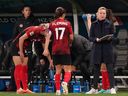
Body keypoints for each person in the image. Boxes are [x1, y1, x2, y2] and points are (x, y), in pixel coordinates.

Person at [11, 24, 51, 94]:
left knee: (25, 68)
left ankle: (25, 88)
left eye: (46, 31)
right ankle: (18, 88)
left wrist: (50, 60)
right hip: (16, 45)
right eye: (44, 31)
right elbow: (21, 39)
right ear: (41, 30)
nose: (45, 32)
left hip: (25, 47)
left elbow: (46, 50)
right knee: (19, 67)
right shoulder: (35, 30)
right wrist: (21, 52)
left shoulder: (45, 35)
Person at [86, 7, 116, 94]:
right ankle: (94, 88)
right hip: (97, 49)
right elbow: (90, 37)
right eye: (101, 13)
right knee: (96, 70)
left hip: (108, 49)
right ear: (97, 14)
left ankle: (112, 88)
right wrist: (96, 39)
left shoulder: (110, 23)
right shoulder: (94, 24)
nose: (102, 15)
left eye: (104, 13)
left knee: (110, 70)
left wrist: (109, 38)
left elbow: (113, 35)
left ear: (106, 14)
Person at [49, 7, 74, 95]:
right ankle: (65, 82)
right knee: (68, 70)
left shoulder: (52, 24)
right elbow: (71, 37)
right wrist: (70, 43)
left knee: (57, 71)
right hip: (65, 49)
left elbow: (49, 37)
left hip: (55, 49)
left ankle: (58, 90)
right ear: (64, 14)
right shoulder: (67, 23)